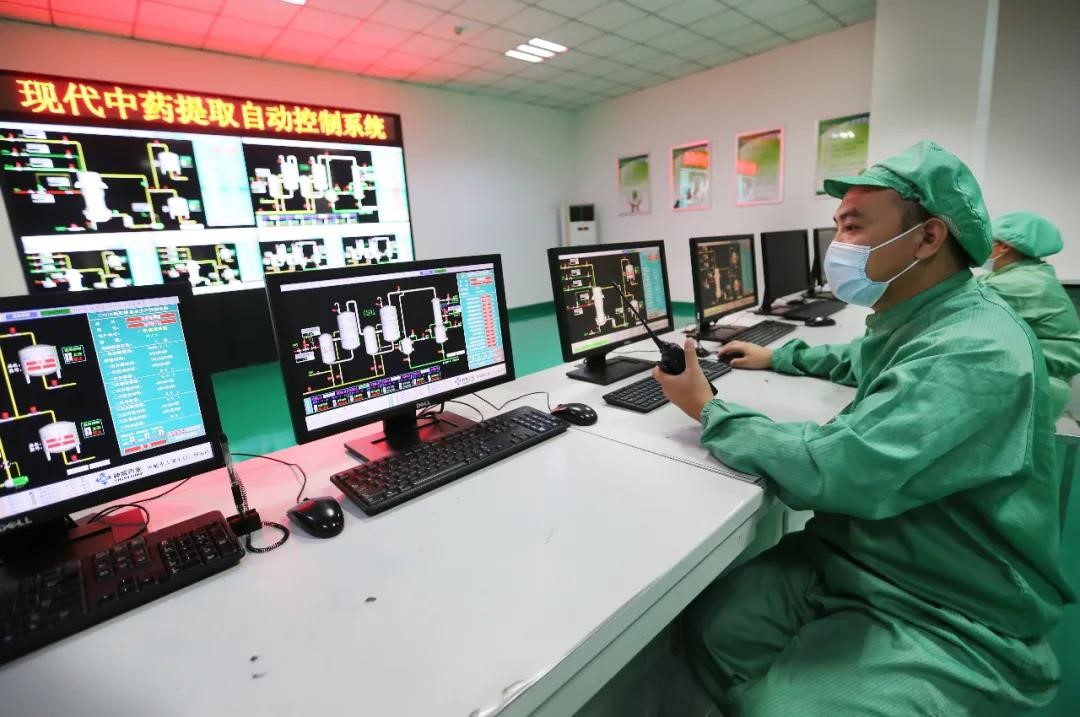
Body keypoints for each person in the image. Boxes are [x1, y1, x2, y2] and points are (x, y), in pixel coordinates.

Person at [653, 140, 1074, 715]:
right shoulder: (930, 314)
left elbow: (839, 469)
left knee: (781, 707)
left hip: (947, 601)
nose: (838, 245)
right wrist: (781, 356)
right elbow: (865, 356)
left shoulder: (976, 347)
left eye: (852, 227)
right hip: (862, 556)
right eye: (837, 227)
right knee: (714, 624)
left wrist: (709, 409)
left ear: (928, 238)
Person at [981, 211, 1080, 418]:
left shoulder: (1026, 282)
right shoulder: (1024, 274)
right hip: (1029, 379)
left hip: (1035, 387)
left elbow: (962, 300)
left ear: (1004, 247)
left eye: (989, 241)